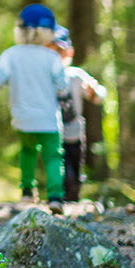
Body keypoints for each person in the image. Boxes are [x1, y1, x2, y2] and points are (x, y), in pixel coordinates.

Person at [0, 3, 69, 214]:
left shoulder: (12, 54)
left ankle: (27, 193)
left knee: (27, 152)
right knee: (53, 156)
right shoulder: (52, 57)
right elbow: (62, 84)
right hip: (48, 118)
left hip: (22, 116)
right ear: (47, 31)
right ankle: (55, 196)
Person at [50, 26, 106, 203]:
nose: (57, 56)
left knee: (75, 165)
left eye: (60, 51)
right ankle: (60, 195)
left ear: (69, 52)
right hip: (53, 132)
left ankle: (74, 196)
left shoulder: (75, 75)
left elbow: (100, 96)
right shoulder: (46, 76)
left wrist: (93, 91)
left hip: (74, 131)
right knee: (60, 166)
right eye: (52, 52)